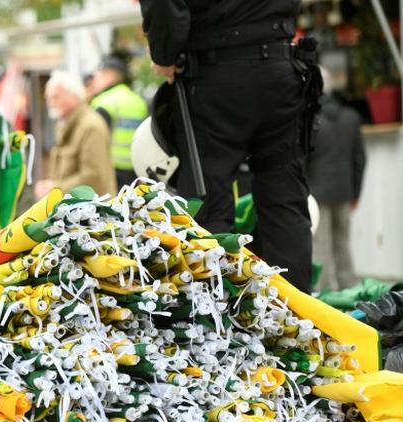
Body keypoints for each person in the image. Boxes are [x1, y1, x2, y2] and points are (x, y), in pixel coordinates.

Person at [140, 1, 315, 292]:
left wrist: (165, 54)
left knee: (208, 206)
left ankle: (221, 319)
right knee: (285, 201)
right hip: (281, 65)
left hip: (215, 73)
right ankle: (297, 321)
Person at [308, 69, 366, 291]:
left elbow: (304, 161)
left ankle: (325, 294)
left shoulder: (312, 120)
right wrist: (356, 193)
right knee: (342, 243)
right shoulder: (351, 117)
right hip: (345, 192)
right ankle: (349, 288)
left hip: (317, 193)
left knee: (320, 245)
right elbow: (359, 159)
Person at [35, 71, 117, 198]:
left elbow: (94, 177)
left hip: (95, 212)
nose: (50, 102)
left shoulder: (90, 126)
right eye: (48, 98)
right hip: (78, 210)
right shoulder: (64, 123)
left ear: (74, 96)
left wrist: (55, 187)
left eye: (55, 97)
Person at [89, 56, 149, 188]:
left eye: (98, 76)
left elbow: (93, 143)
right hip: (136, 169)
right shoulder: (139, 101)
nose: (94, 81)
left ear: (110, 75)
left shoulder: (103, 101)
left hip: (110, 170)